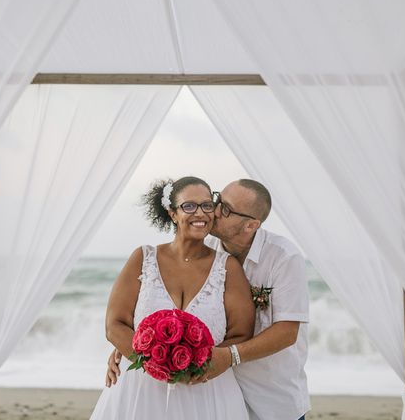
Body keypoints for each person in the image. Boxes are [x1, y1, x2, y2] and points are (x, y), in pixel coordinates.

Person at [107, 179, 311, 420]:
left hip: (270, 394)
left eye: (224, 208)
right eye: (217, 200)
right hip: (216, 387)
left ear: (251, 225)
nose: (213, 211)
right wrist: (138, 346)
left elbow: (287, 332)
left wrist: (228, 356)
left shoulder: (284, 257)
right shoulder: (206, 245)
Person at [90, 176, 255, 420]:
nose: (200, 213)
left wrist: (199, 365)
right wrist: (154, 364)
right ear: (172, 213)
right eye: (189, 206)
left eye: (207, 205)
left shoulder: (227, 267)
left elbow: (241, 333)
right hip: (140, 392)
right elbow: (114, 326)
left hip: (207, 393)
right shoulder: (143, 258)